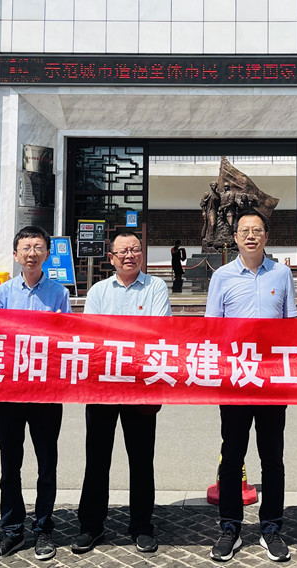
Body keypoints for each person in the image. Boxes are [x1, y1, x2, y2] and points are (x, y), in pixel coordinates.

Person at [205, 209, 297, 563]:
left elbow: (291, 326)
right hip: (235, 380)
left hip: (272, 381)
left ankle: (271, 527)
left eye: (257, 230)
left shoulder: (282, 274)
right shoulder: (222, 277)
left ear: (266, 236)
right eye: (244, 230)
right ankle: (230, 527)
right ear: (235, 237)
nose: (251, 236)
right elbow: (212, 329)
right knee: (232, 455)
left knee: (273, 457)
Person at [72, 231, 172, 555]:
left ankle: (142, 526)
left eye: (135, 249)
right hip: (102, 386)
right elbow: (91, 335)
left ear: (142, 254)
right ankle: (91, 526)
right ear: (111, 258)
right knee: (97, 458)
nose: (130, 255)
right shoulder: (99, 291)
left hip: (142, 387)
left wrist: (118, 337)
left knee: (141, 460)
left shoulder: (156, 287)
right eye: (123, 251)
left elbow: (159, 332)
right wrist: (129, 337)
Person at [0, 226, 71, 562]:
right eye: (26, 247)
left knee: (47, 464)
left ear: (47, 254)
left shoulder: (59, 293)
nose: (32, 253)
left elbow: (66, 341)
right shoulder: (3, 293)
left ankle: (44, 528)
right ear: (15, 254)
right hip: (9, 393)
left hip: (46, 394)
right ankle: (12, 530)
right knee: (10, 465)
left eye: (38, 247)